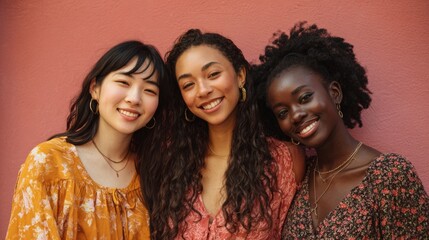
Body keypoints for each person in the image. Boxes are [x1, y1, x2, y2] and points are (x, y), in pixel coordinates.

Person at [253, 22, 429, 239]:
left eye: (305, 98)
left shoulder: (390, 176)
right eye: (282, 113)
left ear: (334, 93)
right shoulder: (299, 178)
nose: (296, 115)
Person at [142, 29, 305, 239]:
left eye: (213, 74)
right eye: (188, 84)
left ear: (240, 75)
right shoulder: (170, 164)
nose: (202, 90)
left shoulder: (285, 160)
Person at [6, 40, 168, 239]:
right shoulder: (49, 163)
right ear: (95, 88)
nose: (134, 98)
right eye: (124, 82)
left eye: (149, 90)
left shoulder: (154, 173)